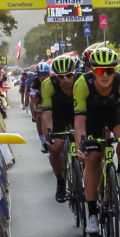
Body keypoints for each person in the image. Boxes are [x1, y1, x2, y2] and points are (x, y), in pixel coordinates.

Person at [72, 47, 120, 236]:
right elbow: (79, 122)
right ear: (93, 70)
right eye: (101, 70)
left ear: (115, 70)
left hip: (113, 112)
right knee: (93, 158)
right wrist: (81, 146)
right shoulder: (82, 83)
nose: (105, 75)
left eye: (110, 70)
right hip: (91, 118)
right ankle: (92, 213)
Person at [39, 55, 80, 202]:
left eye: (69, 75)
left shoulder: (81, 82)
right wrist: (48, 136)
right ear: (55, 76)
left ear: (75, 73)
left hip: (78, 112)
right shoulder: (48, 84)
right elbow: (46, 115)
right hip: (57, 114)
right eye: (61, 76)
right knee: (56, 147)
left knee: (89, 144)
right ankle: (60, 181)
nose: (66, 80)